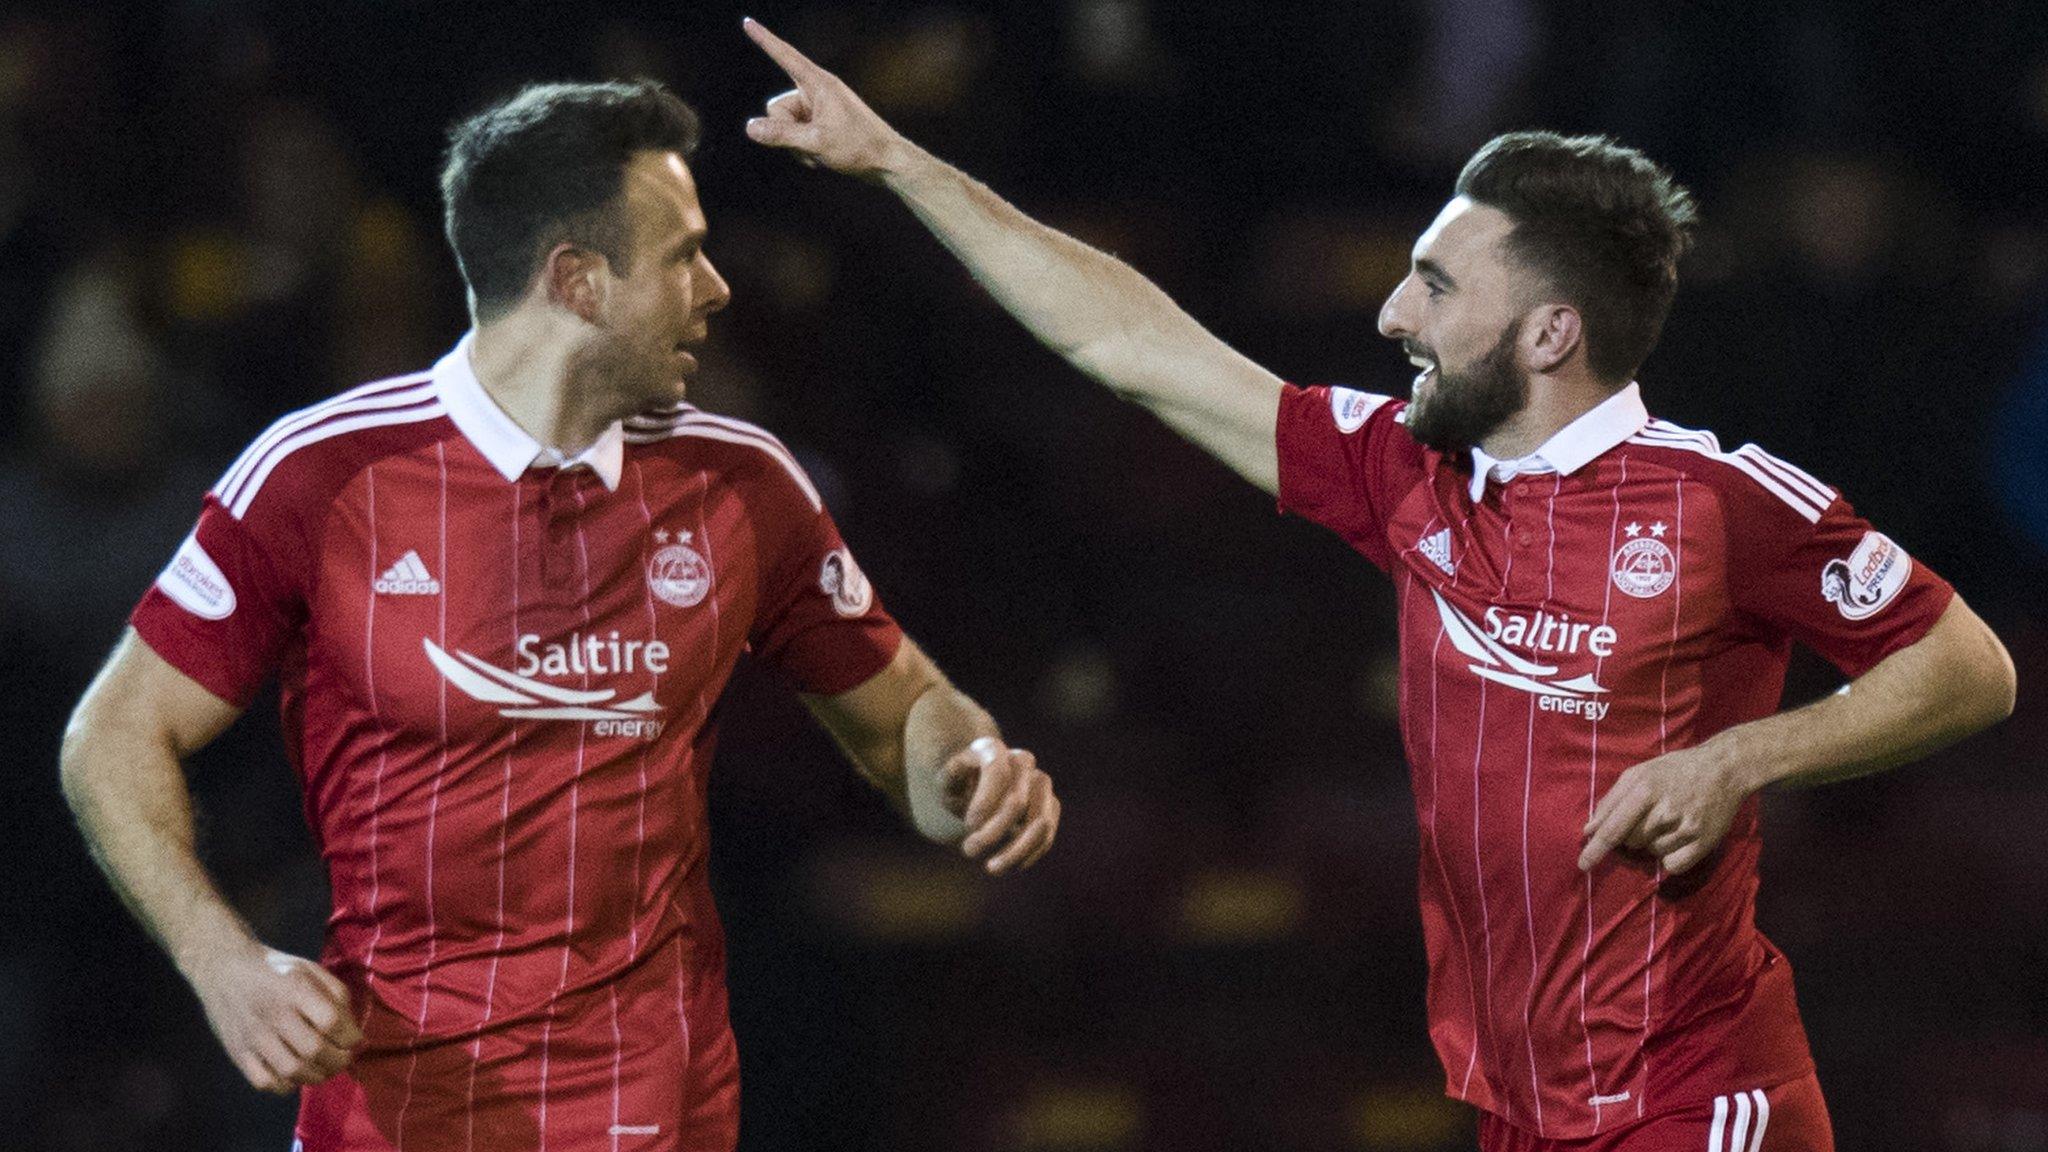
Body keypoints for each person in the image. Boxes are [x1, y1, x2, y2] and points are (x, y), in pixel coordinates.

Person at [739, 19, 2016, 1152]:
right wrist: (902, 164)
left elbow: (1969, 666)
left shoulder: (1723, 502)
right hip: (1514, 1105)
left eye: (1438, 284)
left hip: (1695, 1101)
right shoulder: (1401, 472)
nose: (1393, 310)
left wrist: (1736, 762)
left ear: (1549, 333)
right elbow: (1130, 343)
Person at [59, 79, 1060, 1152]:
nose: (717, 288)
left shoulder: (743, 484)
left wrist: (970, 774)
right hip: (395, 1119)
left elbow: (902, 712)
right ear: (576, 281)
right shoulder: (325, 475)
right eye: (681, 254)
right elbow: (112, 736)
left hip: (658, 1115)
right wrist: (224, 962)